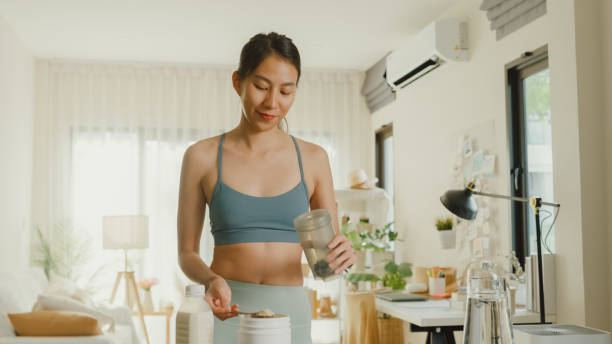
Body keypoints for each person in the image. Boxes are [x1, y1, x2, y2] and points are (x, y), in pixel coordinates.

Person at [177, 32, 357, 344]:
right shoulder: (201, 157)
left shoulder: (314, 159)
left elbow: (328, 258)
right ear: (238, 82)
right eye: (261, 87)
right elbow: (186, 253)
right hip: (226, 309)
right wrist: (212, 279)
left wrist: (343, 254)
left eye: (286, 91)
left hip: (290, 314)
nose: (272, 103)